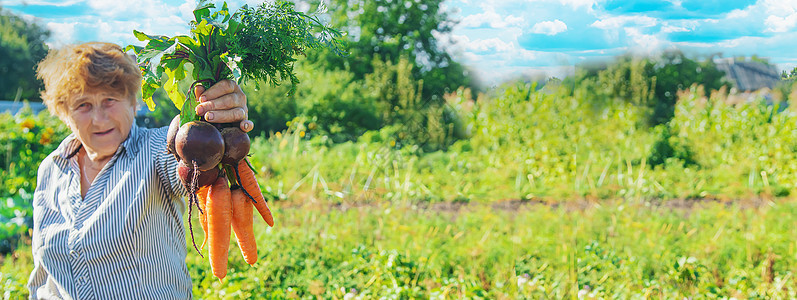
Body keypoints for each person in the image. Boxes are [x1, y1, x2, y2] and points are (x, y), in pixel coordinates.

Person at [26, 42, 252, 299]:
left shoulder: (156, 150)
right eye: (83, 105)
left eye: (110, 100)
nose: (99, 119)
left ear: (134, 102)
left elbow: (189, 156)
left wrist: (223, 117)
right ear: (64, 112)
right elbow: (42, 278)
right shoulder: (52, 168)